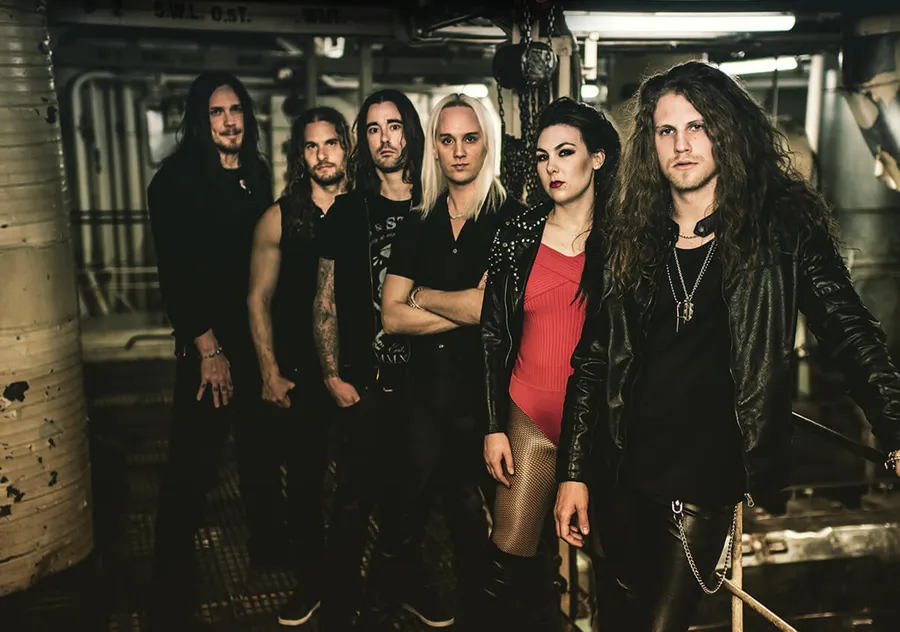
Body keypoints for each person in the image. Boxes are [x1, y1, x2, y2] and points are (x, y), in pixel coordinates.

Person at [554, 60, 900, 632]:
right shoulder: (627, 231)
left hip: (704, 481)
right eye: (666, 130)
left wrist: (894, 426)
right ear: (649, 144)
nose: (681, 145)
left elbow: (850, 332)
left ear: (727, 131)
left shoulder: (780, 230)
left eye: (698, 126)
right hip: (621, 470)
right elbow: (593, 361)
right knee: (616, 621)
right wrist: (573, 472)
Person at [356, 93, 523, 629]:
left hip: (488, 404)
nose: (459, 151)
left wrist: (423, 296)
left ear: (487, 144)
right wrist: (469, 308)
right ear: (433, 148)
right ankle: (373, 618)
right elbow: (391, 317)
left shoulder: (513, 222)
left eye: (470, 139)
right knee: (400, 522)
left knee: (480, 532)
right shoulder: (419, 221)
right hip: (423, 400)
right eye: (447, 140)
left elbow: (494, 311)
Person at [478, 97, 620, 631]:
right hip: (528, 415)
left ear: (597, 158)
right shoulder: (517, 233)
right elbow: (493, 334)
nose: (552, 167)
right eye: (542, 157)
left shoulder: (625, 238)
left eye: (565, 152)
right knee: (507, 566)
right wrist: (493, 425)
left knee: (614, 569)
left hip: (603, 426)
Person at [312, 89, 449, 631]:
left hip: (426, 384)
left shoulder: (439, 205)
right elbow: (324, 299)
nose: (385, 138)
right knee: (351, 504)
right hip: (365, 383)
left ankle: (399, 593)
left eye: (393, 126)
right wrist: (330, 373)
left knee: (411, 504)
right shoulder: (349, 211)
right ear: (362, 141)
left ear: (410, 131)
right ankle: (337, 606)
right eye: (372, 129)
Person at [146, 71, 273, 630]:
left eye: (236, 110)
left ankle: (270, 550)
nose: (229, 121)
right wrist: (207, 348)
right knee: (193, 462)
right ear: (200, 120)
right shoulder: (174, 182)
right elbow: (174, 274)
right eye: (217, 112)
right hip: (208, 344)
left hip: (254, 335)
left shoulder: (255, 173)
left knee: (260, 448)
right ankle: (170, 582)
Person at [246, 106, 352, 627]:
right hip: (300, 371)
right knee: (306, 484)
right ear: (300, 155)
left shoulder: (367, 208)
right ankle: (312, 583)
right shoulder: (279, 217)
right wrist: (269, 371)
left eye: (330, 143)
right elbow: (257, 298)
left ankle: (358, 582)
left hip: (359, 371)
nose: (322, 154)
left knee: (363, 484)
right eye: (311, 146)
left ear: (346, 147)